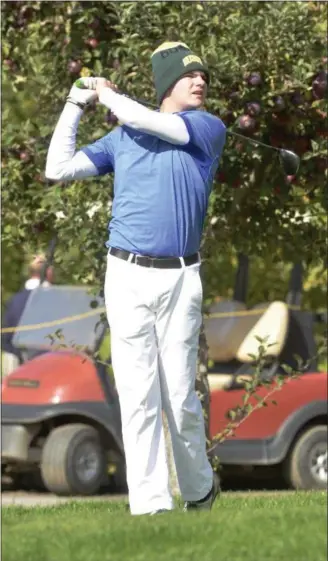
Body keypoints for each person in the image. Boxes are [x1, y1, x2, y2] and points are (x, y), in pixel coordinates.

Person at [45, 41, 226, 515]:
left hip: (181, 278)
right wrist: (74, 104)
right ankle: (151, 508)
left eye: (202, 74)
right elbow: (56, 167)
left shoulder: (206, 128)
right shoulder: (121, 139)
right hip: (125, 274)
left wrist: (106, 95)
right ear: (168, 83)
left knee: (181, 399)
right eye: (190, 75)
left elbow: (149, 121)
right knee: (138, 396)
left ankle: (199, 491)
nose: (200, 81)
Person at [1, 255, 54, 376]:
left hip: (20, 368)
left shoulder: (14, 300)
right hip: (49, 367)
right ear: (48, 272)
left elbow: (6, 340)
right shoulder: (56, 300)